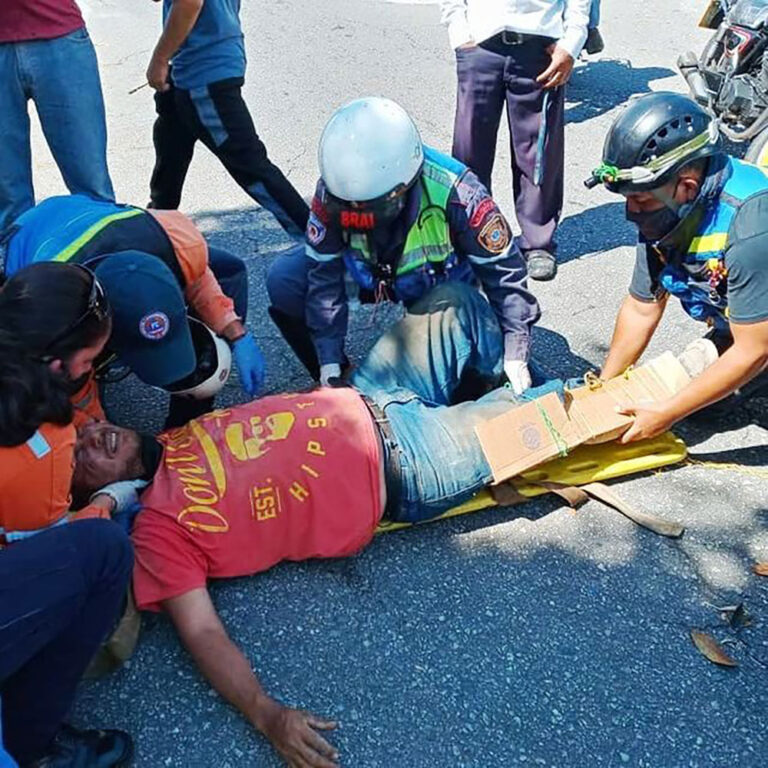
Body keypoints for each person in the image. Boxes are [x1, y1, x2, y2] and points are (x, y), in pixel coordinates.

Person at [70, 281, 560, 767]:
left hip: (372, 392)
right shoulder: (158, 531)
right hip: (407, 464)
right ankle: (515, 417)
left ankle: (500, 397)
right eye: (83, 455)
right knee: (563, 410)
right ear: (93, 494)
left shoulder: (162, 440)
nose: (95, 433)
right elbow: (203, 633)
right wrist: (266, 714)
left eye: (87, 429)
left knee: (459, 301)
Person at [267, 97, 541, 395]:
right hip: (368, 274)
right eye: (351, 208)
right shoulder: (335, 191)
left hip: (437, 281)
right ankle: (341, 381)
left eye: (371, 208)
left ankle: (457, 375)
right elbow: (324, 279)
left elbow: (504, 276)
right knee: (286, 279)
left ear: (404, 187)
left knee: (458, 320)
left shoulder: (459, 193)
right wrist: (329, 363)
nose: (359, 217)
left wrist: (516, 353)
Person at [0, 263, 140, 767]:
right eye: (89, 360)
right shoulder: (39, 447)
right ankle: (32, 741)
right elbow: (40, 557)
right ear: (55, 365)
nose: (89, 371)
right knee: (103, 555)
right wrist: (106, 504)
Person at [585, 91, 768, 441]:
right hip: (751, 323)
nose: (631, 212)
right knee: (702, 404)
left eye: (639, 200)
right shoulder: (668, 214)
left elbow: (753, 349)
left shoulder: (752, 224)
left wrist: (666, 414)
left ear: (686, 187)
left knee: (682, 404)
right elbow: (642, 308)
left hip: (758, 335)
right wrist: (604, 389)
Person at [2, 194, 266, 427]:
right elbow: (79, 400)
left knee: (230, 269)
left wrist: (236, 333)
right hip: (37, 231)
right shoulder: (44, 309)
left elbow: (198, 277)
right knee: (64, 385)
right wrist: (96, 429)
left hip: (105, 220)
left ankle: (186, 423)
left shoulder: (179, 243)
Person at [439, 0, 590, 281]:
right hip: (481, 47)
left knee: (538, 151)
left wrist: (571, 43)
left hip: (541, 50)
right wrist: (459, 34)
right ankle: (469, 236)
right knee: (469, 149)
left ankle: (538, 243)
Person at [145, 0, 308, 236]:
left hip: (204, 73)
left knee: (250, 165)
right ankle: (159, 222)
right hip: (201, 64)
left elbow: (190, 3)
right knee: (171, 143)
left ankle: (318, 240)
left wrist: (159, 59)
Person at [0, 0, 114, 232]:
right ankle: (16, 264)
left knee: (92, 187)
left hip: (60, 38)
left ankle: (103, 260)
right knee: (8, 199)